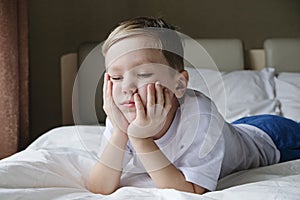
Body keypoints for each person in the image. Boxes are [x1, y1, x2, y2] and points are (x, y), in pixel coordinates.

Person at [88, 16, 300, 195]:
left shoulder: (201, 116)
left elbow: (190, 191)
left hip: (273, 137)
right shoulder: (121, 115)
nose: (126, 87)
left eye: (143, 74)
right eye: (115, 77)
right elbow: (99, 187)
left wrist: (140, 139)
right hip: (236, 129)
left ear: (179, 84)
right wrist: (120, 133)